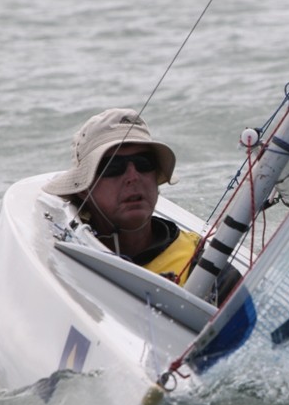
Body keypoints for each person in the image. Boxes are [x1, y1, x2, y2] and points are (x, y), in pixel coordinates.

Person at [43, 108, 205, 288]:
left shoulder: (202, 264)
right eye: (113, 167)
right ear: (84, 188)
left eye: (144, 162)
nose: (132, 176)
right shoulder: (58, 256)